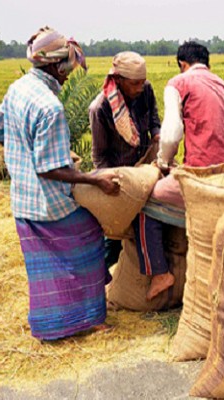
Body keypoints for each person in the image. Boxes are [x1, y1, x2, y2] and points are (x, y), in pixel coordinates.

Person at [0, 27, 119, 341]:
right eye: (67, 70)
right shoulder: (50, 107)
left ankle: (52, 325)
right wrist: (93, 178)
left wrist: (28, 148)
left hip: (23, 199)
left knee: (44, 266)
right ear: (53, 66)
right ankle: (89, 319)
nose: (68, 76)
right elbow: (49, 170)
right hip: (49, 203)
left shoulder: (18, 88)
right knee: (90, 237)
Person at [140, 41, 224, 300]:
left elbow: (172, 133)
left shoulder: (179, 83)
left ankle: (160, 273)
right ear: (208, 64)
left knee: (145, 201)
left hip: (201, 177)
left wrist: (163, 162)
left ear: (182, 64)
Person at [89, 51, 161, 274]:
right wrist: (113, 184)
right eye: (135, 84)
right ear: (119, 80)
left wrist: (158, 137)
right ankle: (99, 277)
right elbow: (100, 158)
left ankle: (142, 270)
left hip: (145, 166)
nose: (140, 88)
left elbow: (154, 121)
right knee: (115, 234)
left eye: (142, 83)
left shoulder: (145, 90)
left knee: (149, 221)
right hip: (119, 174)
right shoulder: (100, 108)